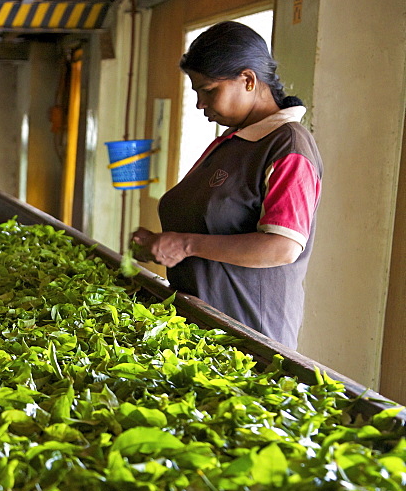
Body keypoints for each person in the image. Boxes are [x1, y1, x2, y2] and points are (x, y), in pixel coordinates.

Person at [131, 21, 322, 350]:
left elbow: (282, 246)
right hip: (202, 328)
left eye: (208, 90)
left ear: (248, 80)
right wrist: (161, 244)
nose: (200, 105)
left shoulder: (287, 146)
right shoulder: (234, 142)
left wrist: (186, 245)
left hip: (247, 339)